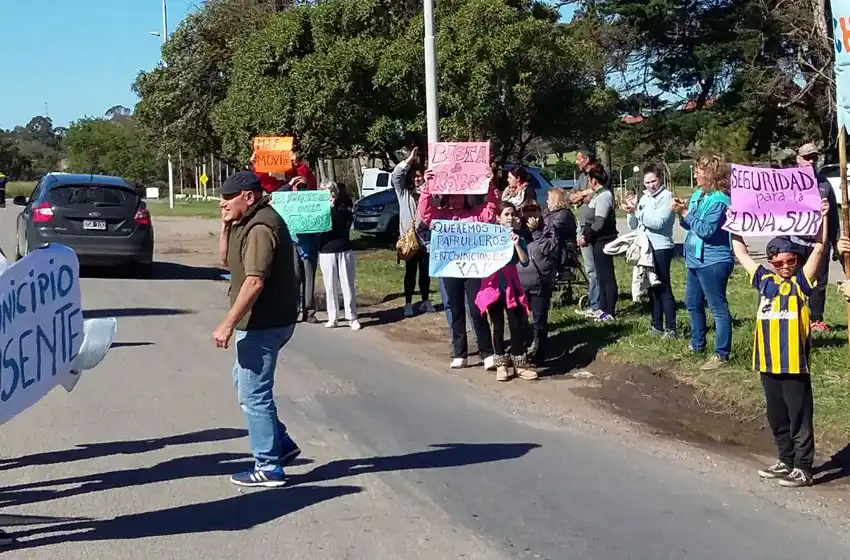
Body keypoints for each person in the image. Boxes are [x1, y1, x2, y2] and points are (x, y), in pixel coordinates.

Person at [730, 199, 829, 488]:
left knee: (799, 416)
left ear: (796, 262)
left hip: (794, 364)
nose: (785, 267)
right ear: (770, 263)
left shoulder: (801, 283)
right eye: (779, 263)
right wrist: (735, 224)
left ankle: (803, 467)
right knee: (777, 416)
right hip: (766, 361)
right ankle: (785, 460)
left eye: (790, 262)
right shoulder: (763, 281)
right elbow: (740, 251)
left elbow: (820, 249)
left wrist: (823, 219)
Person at [213, 170, 301, 488]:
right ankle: (282, 444)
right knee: (244, 382)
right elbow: (226, 261)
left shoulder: (262, 227)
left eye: (227, 199)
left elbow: (254, 281)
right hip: (262, 321)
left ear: (248, 197)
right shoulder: (243, 222)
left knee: (254, 394)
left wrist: (227, 324)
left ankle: (269, 466)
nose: (221, 204)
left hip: (265, 322)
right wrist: (224, 226)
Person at [419, 175, 497, 370]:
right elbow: (424, 213)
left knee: (476, 308)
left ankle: (487, 352)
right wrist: (427, 186)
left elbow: (491, 210)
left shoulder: (476, 214)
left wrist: (489, 185)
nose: (455, 198)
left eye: (459, 195)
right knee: (455, 310)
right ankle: (459, 353)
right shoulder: (440, 216)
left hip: (472, 268)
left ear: (466, 197)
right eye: (451, 195)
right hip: (449, 268)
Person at [672, 154, 734, 370]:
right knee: (692, 303)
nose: (695, 174)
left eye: (699, 170)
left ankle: (721, 354)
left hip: (714, 260)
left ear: (712, 174)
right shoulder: (699, 194)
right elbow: (691, 225)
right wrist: (682, 214)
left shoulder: (720, 200)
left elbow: (706, 230)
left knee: (717, 307)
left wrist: (685, 212)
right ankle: (697, 345)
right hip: (694, 259)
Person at [475, 201, 532, 381]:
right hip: (493, 285)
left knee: (516, 324)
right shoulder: (490, 237)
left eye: (512, 214)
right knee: (497, 325)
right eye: (506, 214)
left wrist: (516, 244)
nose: (510, 217)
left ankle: (519, 362)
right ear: (498, 218)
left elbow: (524, 261)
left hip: (511, 285)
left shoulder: (518, 236)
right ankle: (501, 363)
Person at [786, 143, 839, 332]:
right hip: (795, 241)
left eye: (814, 157)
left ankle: (816, 319)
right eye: (807, 157)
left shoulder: (824, 184)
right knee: (794, 280)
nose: (811, 161)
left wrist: (835, 242)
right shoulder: (786, 182)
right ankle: (794, 314)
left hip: (819, 241)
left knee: (819, 283)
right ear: (798, 159)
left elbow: (833, 217)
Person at [623, 164, 677, 337]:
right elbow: (634, 224)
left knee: (663, 286)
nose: (651, 185)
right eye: (647, 182)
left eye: (653, 181)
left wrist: (638, 213)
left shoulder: (667, 197)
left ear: (660, 179)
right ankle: (656, 325)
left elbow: (658, 222)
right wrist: (631, 212)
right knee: (651, 287)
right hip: (645, 247)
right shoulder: (644, 198)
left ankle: (671, 328)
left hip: (662, 247)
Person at [391, 147, 435, 317]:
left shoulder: (429, 192)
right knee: (410, 272)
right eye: (414, 177)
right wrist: (408, 160)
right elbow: (396, 176)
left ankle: (425, 300)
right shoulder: (404, 193)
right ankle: (408, 303)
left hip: (426, 239)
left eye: (420, 176)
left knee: (425, 273)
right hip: (409, 240)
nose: (417, 179)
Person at [518, 199, 560, 366]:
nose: (530, 215)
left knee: (539, 320)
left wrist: (537, 231)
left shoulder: (547, 229)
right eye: (526, 211)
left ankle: (540, 353)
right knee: (519, 319)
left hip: (540, 281)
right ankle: (519, 349)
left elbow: (550, 250)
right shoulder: (518, 229)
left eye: (533, 211)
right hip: (520, 282)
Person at [318, 180, 361, 330]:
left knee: (347, 284)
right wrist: (326, 208)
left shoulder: (343, 207)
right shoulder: (317, 210)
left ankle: (352, 317)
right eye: (324, 192)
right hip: (326, 250)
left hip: (344, 249)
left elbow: (344, 222)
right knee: (330, 286)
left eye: (330, 191)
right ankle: (333, 316)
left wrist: (333, 207)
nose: (328, 194)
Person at [578, 166, 618, 321]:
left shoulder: (604, 196)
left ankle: (610, 310)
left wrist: (586, 237)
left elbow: (599, 222)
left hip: (603, 241)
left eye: (589, 179)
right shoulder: (597, 195)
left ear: (593, 180)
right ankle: (602, 308)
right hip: (596, 241)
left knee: (607, 276)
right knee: (600, 276)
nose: (588, 182)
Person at [572, 188, 600, 317]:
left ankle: (595, 304)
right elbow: (572, 198)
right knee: (590, 270)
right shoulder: (582, 177)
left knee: (593, 270)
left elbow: (594, 198)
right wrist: (583, 194)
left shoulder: (599, 179)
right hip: (582, 226)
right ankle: (593, 300)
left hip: (591, 228)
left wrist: (582, 195)